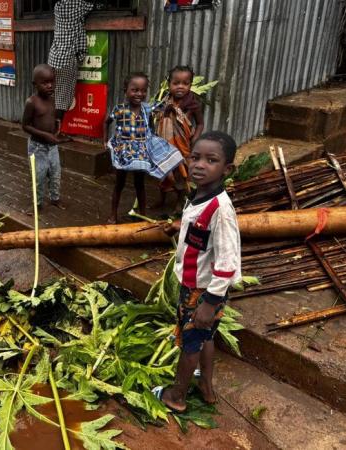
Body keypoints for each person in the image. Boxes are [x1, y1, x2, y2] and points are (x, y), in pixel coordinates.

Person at [154, 131, 241, 413]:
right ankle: (206, 386)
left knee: (190, 343)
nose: (199, 165)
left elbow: (228, 261)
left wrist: (210, 302)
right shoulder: (200, 195)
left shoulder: (221, 210)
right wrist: (180, 227)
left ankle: (176, 395)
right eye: (195, 157)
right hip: (196, 287)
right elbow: (202, 234)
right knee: (204, 338)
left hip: (202, 292)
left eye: (211, 160)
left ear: (227, 169)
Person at [103, 72, 183, 224]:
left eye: (143, 90)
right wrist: (105, 140)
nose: (139, 94)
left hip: (141, 153)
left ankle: (143, 214)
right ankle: (113, 215)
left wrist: (173, 89)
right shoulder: (119, 109)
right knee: (119, 184)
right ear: (125, 90)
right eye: (134, 90)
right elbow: (106, 122)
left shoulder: (147, 109)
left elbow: (163, 105)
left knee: (139, 184)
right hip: (123, 151)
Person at [155, 65, 205, 213]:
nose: (180, 87)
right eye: (176, 83)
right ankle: (162, 199)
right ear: (169, 84)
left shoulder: (193, 104)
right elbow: (158, 119)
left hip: (183, 146)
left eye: (185, 83)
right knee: (164, 174)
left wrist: (194, 140)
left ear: (190, 84)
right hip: (165, 145)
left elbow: (200, 124)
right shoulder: (164, 101)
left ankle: (179, 202)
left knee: (181, 174)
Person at [22, 64, 69, 211]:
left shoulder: (52, 99)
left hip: (52, 147)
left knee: (55, 174)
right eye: (45, 83)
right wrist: (46, 135)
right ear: (35, 84)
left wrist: (57, 127)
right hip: (38, 148)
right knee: (39, 177)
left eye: (52, 82)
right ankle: (37, 204)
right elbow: (25, 126)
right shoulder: (31, 102)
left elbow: (52, 117)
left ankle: (55, 199)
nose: (50, 86)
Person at [48, 0, 94, 124]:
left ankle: (48, 127)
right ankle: (55, 132)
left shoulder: (57, 6)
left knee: (52, 96)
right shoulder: (79, 4)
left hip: (53, 59)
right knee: (62, 99)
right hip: (67, 60)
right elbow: (92, 6)